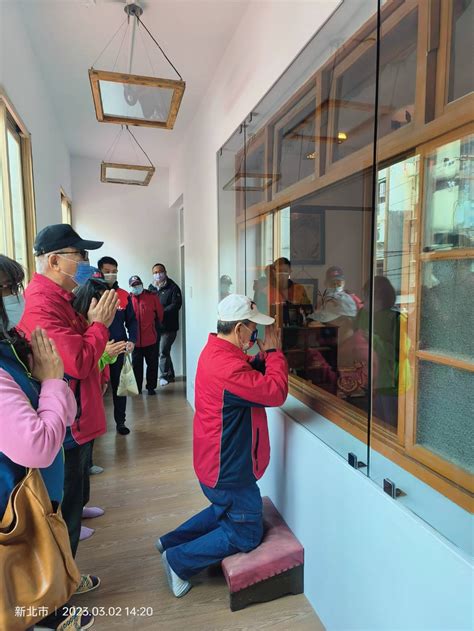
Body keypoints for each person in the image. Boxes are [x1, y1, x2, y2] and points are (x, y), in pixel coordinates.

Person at [155, 294, 288, 598]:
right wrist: (275, 354)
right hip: (227, 468)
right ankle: (178, 560)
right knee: (246, 533)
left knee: (223, 510)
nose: (255, 338)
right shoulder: (227, 368)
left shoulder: (217, 351)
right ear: (240, 329)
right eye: (253, 331)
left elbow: (246, 371)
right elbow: (275, 392)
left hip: (215, 462)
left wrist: (261, 357)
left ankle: (169, 541)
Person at [18, 224, 119, 594]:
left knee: (69, 513)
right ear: (54, 260)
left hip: (76, 418)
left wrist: (94, 329)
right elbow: (77, 361)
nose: (86, 265)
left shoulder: (61, 298)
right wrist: (99, 326)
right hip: (66, 428)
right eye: (80, 257)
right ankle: (59, 593)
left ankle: (68, 578)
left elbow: (87, 356)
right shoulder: (41, 304)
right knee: (63, 517)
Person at [0, 254, 94, 630]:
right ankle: (46, 613)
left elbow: (62, 412)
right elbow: (37, 445)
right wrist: (54, 380)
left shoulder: (12, 347)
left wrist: (50, 382)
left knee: (47, 547)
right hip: (17, 498)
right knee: (22, 569)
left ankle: (53, 599)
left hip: (37, 490)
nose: (17, 297)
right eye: (8, 290)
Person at [97, 256, 137, 435]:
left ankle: (120, 421)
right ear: (99, 271)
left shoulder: (123, 295)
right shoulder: (92, 293)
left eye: (114, 271)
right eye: (107, 271)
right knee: (95, 388)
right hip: (97, 348)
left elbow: (132, 321)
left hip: (119, 347)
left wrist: (132, 340)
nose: (110, 274)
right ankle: (95, 426)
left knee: (119, 387)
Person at [148, 263, 182, 386]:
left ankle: (163, 376)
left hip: (169, 327)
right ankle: (170, 374)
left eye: (160, 271)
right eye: (155, 272)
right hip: (156, 327)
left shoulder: (173, 287)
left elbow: (176, 305)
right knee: (163, 352)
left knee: (163, 351)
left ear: (165, 272)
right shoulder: (151, 288)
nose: (158, 274)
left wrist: (161, 312)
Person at [129, 275, 164, 395]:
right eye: (133, 285)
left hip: (151, 339)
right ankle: (137, 388)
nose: (136, 287)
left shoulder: (151, 297)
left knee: (152, 364)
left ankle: (151, 387)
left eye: (138, 284)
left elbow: (160, 314)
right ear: (130, 287)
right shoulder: (128, 299)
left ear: (142, 284)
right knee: (136, 367)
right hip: (135, 341)